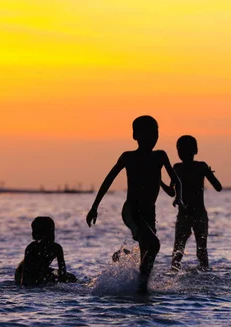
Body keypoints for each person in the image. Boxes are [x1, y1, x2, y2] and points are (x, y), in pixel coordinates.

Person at [86, 115, 182, 294]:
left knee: (148, 250)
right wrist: (94, 207)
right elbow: (108, 180)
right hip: (131, 211)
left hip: (149, 212)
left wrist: (178, 197)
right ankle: (140, 288)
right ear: (135, 136)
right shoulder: (128, 157)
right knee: (153, 244)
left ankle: (139, 285)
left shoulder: (160, 156)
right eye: (147, 134)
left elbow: (176, 180)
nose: (152, 138)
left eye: (155, 133)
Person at [161, 135, 222, 272]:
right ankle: (176, 275)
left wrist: (208, 173)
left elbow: (218, 187)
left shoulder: (199, 166)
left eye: (185, 150)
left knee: (199, 250)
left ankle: (202, 274)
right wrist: (159, 181)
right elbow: (172, 192)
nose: (182, 153)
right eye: (180, 150)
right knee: (178, 251)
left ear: (195, 150)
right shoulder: (177, 168)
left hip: (198, 215)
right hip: (185, 215)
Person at [15, 216, 77, 286]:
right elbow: (25, 276)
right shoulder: (31, 248)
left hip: (42, 271)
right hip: (21, 273)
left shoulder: (56, 248)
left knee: (72, 277)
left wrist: (62, 283)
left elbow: (62, 272)